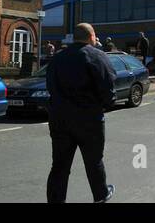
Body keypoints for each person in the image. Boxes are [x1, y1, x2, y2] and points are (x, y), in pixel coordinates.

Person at [45, 23, 117, 203]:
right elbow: (109, 90)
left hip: (60, 119)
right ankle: (100, 196)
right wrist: (104, 105)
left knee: (59, 166)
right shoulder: (98, 56)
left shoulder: (57, 59)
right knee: (94, 162)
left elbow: (50, 87)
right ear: (91, 36)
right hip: (89, 119)